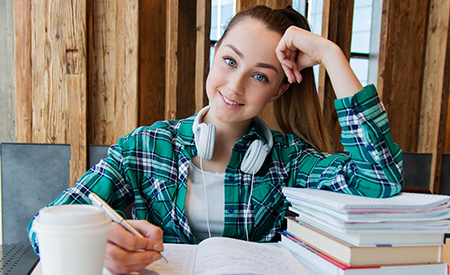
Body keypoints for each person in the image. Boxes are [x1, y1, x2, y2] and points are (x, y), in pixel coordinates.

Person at [28, 5, 403, 274]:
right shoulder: (144, 148)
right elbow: (42, 227)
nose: (235, 86)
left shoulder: (289, 161)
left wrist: (332, 55)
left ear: (276, 92)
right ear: (213, 55)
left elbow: (380, 179)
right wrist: (99, 243)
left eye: (260, 76)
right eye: (229, 61)